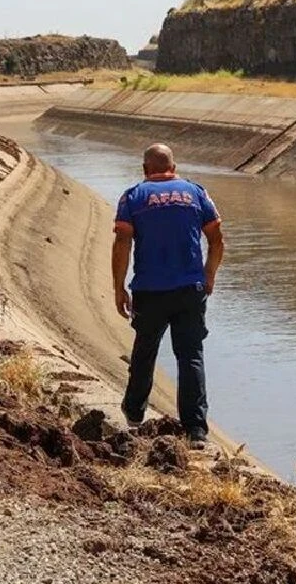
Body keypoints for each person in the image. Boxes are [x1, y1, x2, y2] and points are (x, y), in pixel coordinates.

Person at [113, 143, 225, 448]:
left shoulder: (133, 196)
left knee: (145, 350)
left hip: (149, 290)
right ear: (174, 167)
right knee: (190, 355)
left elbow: (123, 243)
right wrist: (209, 275)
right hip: (190, 289)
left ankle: (135, 414)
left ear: (145, 169)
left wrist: (118, 287)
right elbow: (216, 239)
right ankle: (196, 431)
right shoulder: (196, 193)